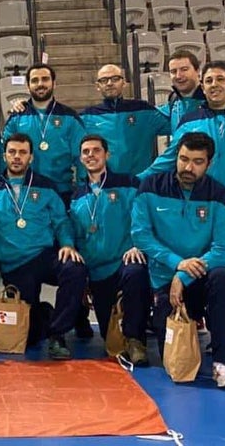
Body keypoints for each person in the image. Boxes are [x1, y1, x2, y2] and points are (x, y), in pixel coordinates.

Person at [143, 61, 225, 358]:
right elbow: (170, 159)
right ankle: (221, 331)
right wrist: (136, 182)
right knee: (214, 272)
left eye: (220, 79)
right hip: (206, 209)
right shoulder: (190, 119)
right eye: (209, 80)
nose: (213, 85)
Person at [132, 132, 225, 389]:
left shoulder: (219, 194)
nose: (188, 167)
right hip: (164, 282)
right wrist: (176, 264)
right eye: (183, 159)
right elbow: (141, 235)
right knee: (175, 368)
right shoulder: (150, 187)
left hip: (201, 279)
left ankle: (224, 365)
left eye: (197, 161)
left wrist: (184, 275)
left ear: (209, 163)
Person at [0, 132, 87, 360]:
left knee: (74, 268)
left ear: (31, 157)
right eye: (12, 152)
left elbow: (61, 221)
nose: (17, 157)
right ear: (4, 156)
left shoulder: (46, 187)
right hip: (15, 265)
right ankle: (46, 314)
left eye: (22, 152)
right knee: (27, 337)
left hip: (44, 255)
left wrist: (68, 244)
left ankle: (58, 334)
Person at [70, 135, 151, 365]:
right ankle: (123, 333)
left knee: (136, 274)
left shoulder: (128, 184)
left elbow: (143, 217)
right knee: (110, 335)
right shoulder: (77, 195)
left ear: (107, 155)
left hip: (126, 258)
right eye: (86, 152)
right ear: (80, 158)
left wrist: (138, 245)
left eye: (96, 150)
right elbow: (76, 234)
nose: (91, 155)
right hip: (97, 269)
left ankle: (136, 340)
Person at [2, 63, 86, 204]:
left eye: (45, 79)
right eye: (34, 80)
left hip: (61, 192)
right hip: (25, 192)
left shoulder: (70, 117)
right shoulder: (16, 117)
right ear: (28, 86)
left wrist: (82, 191)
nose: (40, 84)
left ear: (54, 83)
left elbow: (82, 157)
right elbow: (5, 156)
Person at [80, 64, 171, 176]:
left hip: (139, 184)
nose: (109, 83)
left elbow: (178, 126)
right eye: (104, 80)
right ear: (98, 86)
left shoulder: (144, 110)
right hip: (104, 186)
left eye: (115, 79)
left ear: (124, 82)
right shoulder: (86, 117)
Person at [160, 50, 206, 131]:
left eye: (184, 69)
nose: (178, 76)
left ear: (198, 71)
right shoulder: (173, 100)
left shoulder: (213, 100)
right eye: (173, 71)